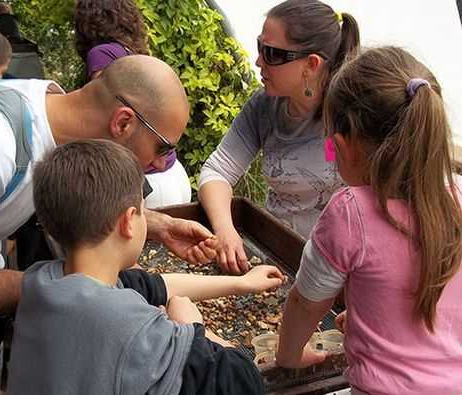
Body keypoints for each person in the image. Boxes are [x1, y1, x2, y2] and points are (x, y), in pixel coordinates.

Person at [0, 54, 218, 395]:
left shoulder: (47, 111)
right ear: (123, 123)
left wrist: (157, 225)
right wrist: (73, 290)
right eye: (163, 147)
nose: (160, 162)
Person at [7, 139, 286, 395]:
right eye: (142, 210)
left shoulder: (42, 282)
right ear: (129, 220)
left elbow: (157, 285)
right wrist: (193, 328)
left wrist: (242, 283)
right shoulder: (135, 329)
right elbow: (242, 380)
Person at [276, 46, 462, 394]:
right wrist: (370, 318)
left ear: (345, 146)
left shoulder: (350, 212)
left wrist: (289, 356)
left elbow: (306, 303)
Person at [198, 0, 360, 273]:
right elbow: (217, 170)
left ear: (311, 64)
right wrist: (225, 229)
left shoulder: (353, 115)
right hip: (277, 251)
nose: (258, 60)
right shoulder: (263, 106)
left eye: (272, 53)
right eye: (259, 46)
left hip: (336, 264)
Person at [74, 0, 192, 209]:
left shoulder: (100, 53)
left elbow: (104, 108)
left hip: (151, 182)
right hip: (175, 175)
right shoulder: (130, 52)